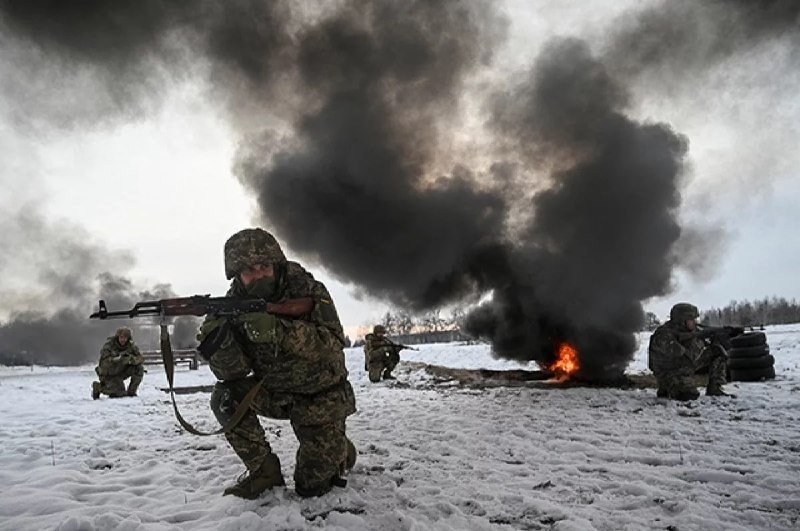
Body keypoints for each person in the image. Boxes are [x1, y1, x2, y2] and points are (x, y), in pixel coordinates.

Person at [198, 228, 357, 499]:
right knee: (226, 396)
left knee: (312, 489)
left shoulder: (307, 289)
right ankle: (264, 473)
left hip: (320, 398)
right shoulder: (232, 304)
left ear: (276, 263)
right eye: (249, 270)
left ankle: (338, 446)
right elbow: (234, 373)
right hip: (273, 393)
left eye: (264, 266)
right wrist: (219, 342)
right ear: (237, 275)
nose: (258, 274)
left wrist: (278, 330)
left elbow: (332, 343)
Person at [648, 302, 730, 401]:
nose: (695, 322)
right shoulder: (663, 335)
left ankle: (715, 388)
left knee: (717, 351)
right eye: (692, 320)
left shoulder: (688, 331)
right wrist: (700, 341)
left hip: (682, 368)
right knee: (689, 395)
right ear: (682, 320)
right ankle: (667, 388)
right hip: (668, 373)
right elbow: (688, 358)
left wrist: (715, 339)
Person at [92, 327, 145, 399]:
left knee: (139, 368)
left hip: (121, 371)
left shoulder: (131, 346)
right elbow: (105, 362)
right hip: (109, 373)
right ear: (117, 337)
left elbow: (140, 358)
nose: (123, 340)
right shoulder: (109, 346)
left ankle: (131, 392)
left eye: (125, 338)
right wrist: (118, 360)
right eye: (121, 337)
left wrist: (132, 360)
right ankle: (98, 387)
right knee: (119, 394)